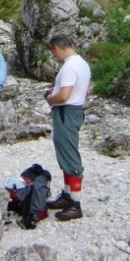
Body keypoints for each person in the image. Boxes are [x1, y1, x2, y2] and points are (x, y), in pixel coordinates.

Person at [43, 34, 91, 221]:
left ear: (56, 48)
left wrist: (49, 98)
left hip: (65, 112)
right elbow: (85, 90)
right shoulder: (83, 64)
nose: (55, 56)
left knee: (70, 156)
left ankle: (75, 205)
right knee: (65, 153)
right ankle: (66, 195)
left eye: (54, 53)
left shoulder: (69, 67)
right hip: (75, 110)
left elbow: (63, 96)